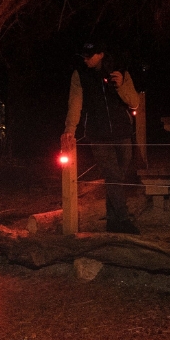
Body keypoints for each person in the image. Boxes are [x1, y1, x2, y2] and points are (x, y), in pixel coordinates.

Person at [62, 41, 141, 234]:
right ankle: (124, 219)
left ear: (101, 54)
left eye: (90, 55)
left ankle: (112, 221)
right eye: (84, 56)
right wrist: (70, 128)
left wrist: (121, 85)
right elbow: (75, 103)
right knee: (113, 176)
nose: (86, 59)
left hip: (122, 131)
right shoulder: (80, 74)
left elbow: (134, 102)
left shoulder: (119, 71)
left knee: (118, 178)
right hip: (98, 133)